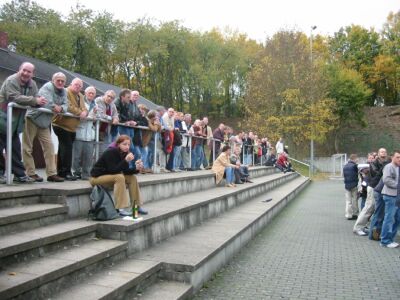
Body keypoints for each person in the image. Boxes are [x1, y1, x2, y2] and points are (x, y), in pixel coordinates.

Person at [0, 62, 47, 183]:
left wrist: (38, 101)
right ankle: (2, 174)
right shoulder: (11, 81)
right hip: (2, 118)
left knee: (15, 148)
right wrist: (34, 101)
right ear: (19, 70)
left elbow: (37, 98)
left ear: (32, 74)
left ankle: (19, 175)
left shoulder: (33, 84)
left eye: (29, 72)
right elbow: (13, 97)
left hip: (14, 122)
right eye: (24, 70)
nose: (26, 73)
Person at [23, 72, 68, 183]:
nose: (60, 82)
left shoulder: (64, 91)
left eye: (63, 81)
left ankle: (51, 174)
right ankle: (31, 173)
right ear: (53, 80)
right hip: (32, 118)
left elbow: (66, 106)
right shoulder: (47, 87)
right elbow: (45, 101)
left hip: (45, 123)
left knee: (50, 147)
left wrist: (61, 109)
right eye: (58, 80)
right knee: (27, 147)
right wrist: (54, 107)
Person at [90, 135, 148, 216]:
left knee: (132, 178)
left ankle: (136, 207)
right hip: (96, 178)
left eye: (128, 144)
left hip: (110, 178)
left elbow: (125, 171)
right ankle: (120, 208)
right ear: (118, 144)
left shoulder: (124, 153)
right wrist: (125, 160)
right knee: (119, 177)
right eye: (124, 144)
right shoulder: (110, 152)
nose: (127, 147)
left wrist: (137, 169)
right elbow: (113, 170)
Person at [53, 78, 88, 180]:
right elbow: (67, 105)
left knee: (63, 149)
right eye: (76, 84)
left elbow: (84, 107)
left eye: (80, 86)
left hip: (72, 127)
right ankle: (66, 172)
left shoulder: (81, 96)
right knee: (67, 148)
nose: (77, 87)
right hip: (61, 124)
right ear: (71, 84)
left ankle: (61, 171)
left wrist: (85, 112)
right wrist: (80, 113)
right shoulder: (65, 91)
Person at [72, 86, 97, 180]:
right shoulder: (80, 102)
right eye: (89, 93)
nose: (91, 95)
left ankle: (86, 174)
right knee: (76, 155)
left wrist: (94, 115)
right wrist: (91, 115)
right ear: (85, 93)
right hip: (80, 131)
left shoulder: (95, 105)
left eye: (93, 93)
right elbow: (81, 115)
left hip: (90, 133)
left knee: (89, 156)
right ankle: (75, 173)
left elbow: (96, 118)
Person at [368, 148, 391, 240]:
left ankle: (377, 233)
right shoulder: (375, 163)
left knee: (381, 213)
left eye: (385, 152)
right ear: (378, 154)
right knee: (376, 212)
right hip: (376, 188)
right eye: (382, 152)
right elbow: (377, 175)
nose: (384, 153)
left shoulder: (387, 163)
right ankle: (372, 234)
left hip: (382, 190)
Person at [379, 150, 400, 248]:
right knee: (389, 218)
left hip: (397, 197)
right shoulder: (389, 167)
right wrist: (398, 185)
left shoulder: (398, 167)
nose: (399, 159)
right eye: (397, 157)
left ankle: (390, 239)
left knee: (397, 219)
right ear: (392, 157)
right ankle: (385, 241)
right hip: (390, 196)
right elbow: (386, 180)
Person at [95, 90, 119, 156]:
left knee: (103, 151)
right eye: (108, 96)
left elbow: (116, 115)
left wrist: (116, 119)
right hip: (96, 128)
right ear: (104, 95)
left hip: (105, 131)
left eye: (112, 98)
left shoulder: (112, 104)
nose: (109, 98)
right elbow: (99, 114)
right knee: (94, 150)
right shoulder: (98, 100)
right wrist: (111, 118)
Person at [343, 154, 359, 220]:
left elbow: (344, 175)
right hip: (354, 185)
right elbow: (357, 174)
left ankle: (348, 215)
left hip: (347, 185)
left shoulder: (345, 166)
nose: (357, 160)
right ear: (354, 159)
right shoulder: (355, 166)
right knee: (355, 200)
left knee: (348, 201)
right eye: (357, 159)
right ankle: (355, 214)